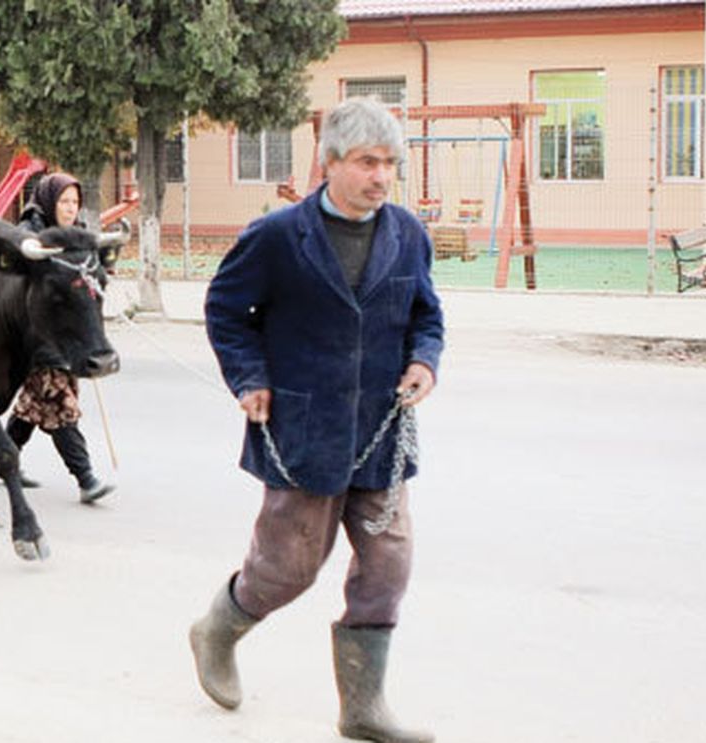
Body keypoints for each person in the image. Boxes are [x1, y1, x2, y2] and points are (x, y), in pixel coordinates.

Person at [190, 98, 444, 743]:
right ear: (330, 163)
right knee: (287, 570)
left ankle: (362, 708)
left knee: (388, 566)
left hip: (381, 430)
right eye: (366, 162)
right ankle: (218, 630)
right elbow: (226, 312)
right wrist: (249, 380)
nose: (381, 176)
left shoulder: (408, 234)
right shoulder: (278, 237)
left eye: (390, 163)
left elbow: (426, 316)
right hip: (302, 431)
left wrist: (424, 361)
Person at [3, 172, 114, 504]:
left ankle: (3, 455)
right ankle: (86, 478)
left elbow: (89, 272)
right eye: (64, 201)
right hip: (37, 337)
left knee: (32, 407)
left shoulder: (77, 236)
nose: (70, 208)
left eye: (75, 202)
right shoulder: (30, 234)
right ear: (50, 201)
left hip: (69, 336)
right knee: (59, 404)